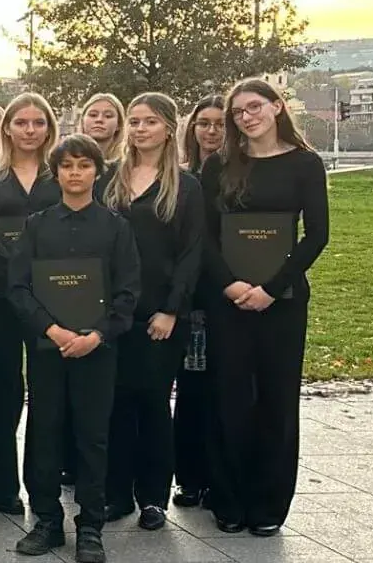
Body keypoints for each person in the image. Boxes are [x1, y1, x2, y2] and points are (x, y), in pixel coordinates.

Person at [200, 78, 327, 537]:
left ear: (277, 107)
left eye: (254, 107)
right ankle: (228, 501)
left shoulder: (306, 164)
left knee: (277, 400)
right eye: (238, 112)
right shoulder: (219, 166)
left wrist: (271, 288)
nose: (246, 117)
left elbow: (316, 235)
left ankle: (269, 504)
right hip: (229, 300)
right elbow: (206, 237)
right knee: (229, 397)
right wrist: (232, 286)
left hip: (283, 302)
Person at [8, 133, 141, 563]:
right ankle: (46, 519)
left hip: (97, 351)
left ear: (97, 172)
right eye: (67, 166)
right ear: (57, 172)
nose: (75, 173)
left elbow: (127, 293)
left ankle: (90, 526)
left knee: (92, 436)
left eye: (84, 165)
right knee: (44, 432)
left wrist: (95, 336)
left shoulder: (116, 228)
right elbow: (19, 287)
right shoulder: (37, 225)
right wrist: (53, 331)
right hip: (49, 349)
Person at [101, 92, 204, 531]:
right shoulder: (110, 178)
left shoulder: (186, 186)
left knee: (154, 404)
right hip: (114, 312)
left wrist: (171, 310)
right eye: (135, 122)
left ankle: (153, 498)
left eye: (149, 122)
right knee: (116, 404)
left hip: (160, 315)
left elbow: (191, 254)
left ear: (168, 128)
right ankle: (117, 494)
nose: (140, 129)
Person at [0, 93, 63, 517]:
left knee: (46, 392)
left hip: (52, 298)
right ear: (7, 128)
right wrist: (22, 263)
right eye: (20, 122)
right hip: (0, 296)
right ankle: (1, 484)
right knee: (3, 389)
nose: (28, 129)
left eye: (37, 122)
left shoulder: (60, 174)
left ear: (48, 128)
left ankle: (44, 485)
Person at [173, 95, 226, 510]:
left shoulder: (236, 175)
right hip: (189, 298)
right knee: (190, 388)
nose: (211, 131)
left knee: (220, 388)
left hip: (225, 294)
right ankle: (188, 477)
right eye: (203, 123)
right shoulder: (182, 177)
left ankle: (217, 474)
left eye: (220, 124)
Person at [79, 93, 125, 162]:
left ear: (119, 124)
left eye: (108, 116)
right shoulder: (64, 157)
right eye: (93, 115)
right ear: (83, 120)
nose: (99, 120)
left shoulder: (129, 163)